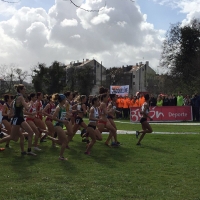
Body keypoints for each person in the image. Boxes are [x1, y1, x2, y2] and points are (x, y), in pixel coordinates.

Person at [0, 84, 36, 155]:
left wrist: (15, 111)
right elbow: (27, 108)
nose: (25, 90)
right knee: (12, 137)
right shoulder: (20, 97)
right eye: (24, 89)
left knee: (30, 133)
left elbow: (11, 106)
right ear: (20, 90)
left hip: (20, 118)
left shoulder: (16, 97)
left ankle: (27, 151)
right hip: (17, 119)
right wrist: (30, 103)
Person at [47, 94, 70, 160]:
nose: (66, 100)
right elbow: (53, 117)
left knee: (60, 142)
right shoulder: (58, 107)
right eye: (65, 99)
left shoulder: (63, 107)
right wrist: (62, 121)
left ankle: (50, 138)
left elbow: (62, 117)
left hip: (60, 125)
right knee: (65, 141)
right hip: (57, 125)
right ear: (62, 100)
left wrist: (65, 119)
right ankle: (61, 156)